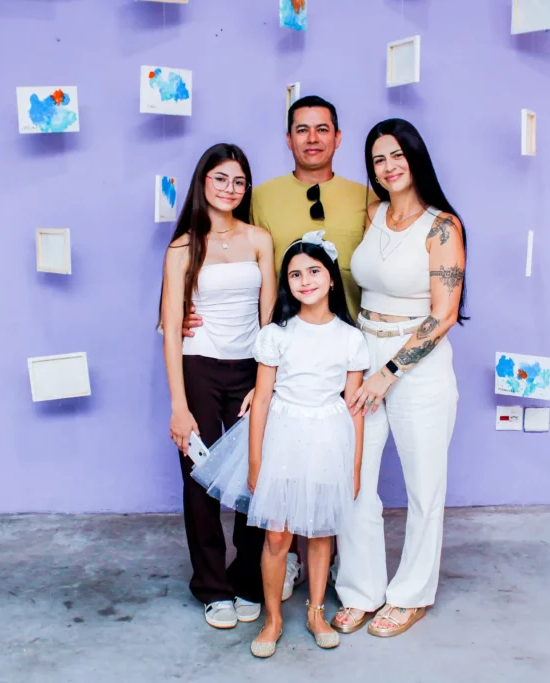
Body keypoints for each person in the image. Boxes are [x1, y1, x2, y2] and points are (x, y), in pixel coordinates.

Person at [184, 95, 376, 599]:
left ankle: (330, 565)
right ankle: (275, 563)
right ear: (288, 138)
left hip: (346, 348)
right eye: (301, 129)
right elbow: (227, 252)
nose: (312, 138)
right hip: (278, 351)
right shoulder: (262, 196)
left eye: (322, 128)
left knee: (331, 459)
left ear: (338, 137)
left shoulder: (366, 197)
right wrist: (180, 310)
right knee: (278, 466)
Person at [190, 231, 369, 658]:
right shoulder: (276, 334)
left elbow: (354, 407)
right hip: (283, 437)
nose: (305, 281)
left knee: (320, 533)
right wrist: (255, 461)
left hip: (327, 438)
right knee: (276, 536)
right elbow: (262, 400)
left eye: (314, 271)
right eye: (294, 274)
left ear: (331, 278)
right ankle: (272, 619)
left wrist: (355, 465)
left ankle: (315, 613)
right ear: (286, 283)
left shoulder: (350, 338)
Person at [332, 118, 467, 638]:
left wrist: (389, 371)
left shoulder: (442, 226)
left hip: (417, 364)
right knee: (353, 478)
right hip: (365, 349)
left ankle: (411, 595)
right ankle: (360, 590)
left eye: (396, 155)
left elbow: (444, 313)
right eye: (377, 159)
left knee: (424, 485)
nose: (388, 167)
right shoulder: (372, 214)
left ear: (415, 157)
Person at [159, 143, 277, 630]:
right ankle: (211, 587)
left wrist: (265, 382)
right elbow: (171, 329)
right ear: (203, 182)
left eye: (239, 181)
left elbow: (271, 321)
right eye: (220, 178)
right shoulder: (182, 248)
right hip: (199, 368)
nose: (230, 188)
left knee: (256, 475)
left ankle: (247, 579)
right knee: (200, 479)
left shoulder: (259, 239)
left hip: (250, 369)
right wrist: (179, 406)